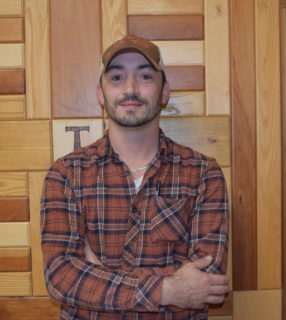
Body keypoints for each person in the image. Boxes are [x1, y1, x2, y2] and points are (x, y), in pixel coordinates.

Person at [41, 36, 229, 320]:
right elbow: (60, 277)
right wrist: (167, 289)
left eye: (144, 76)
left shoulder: (203, 173)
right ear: (101, 94)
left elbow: (205, 283)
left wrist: (97, 277)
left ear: (164, 92)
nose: (130, 88)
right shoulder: (66, 174)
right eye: (117, 77)